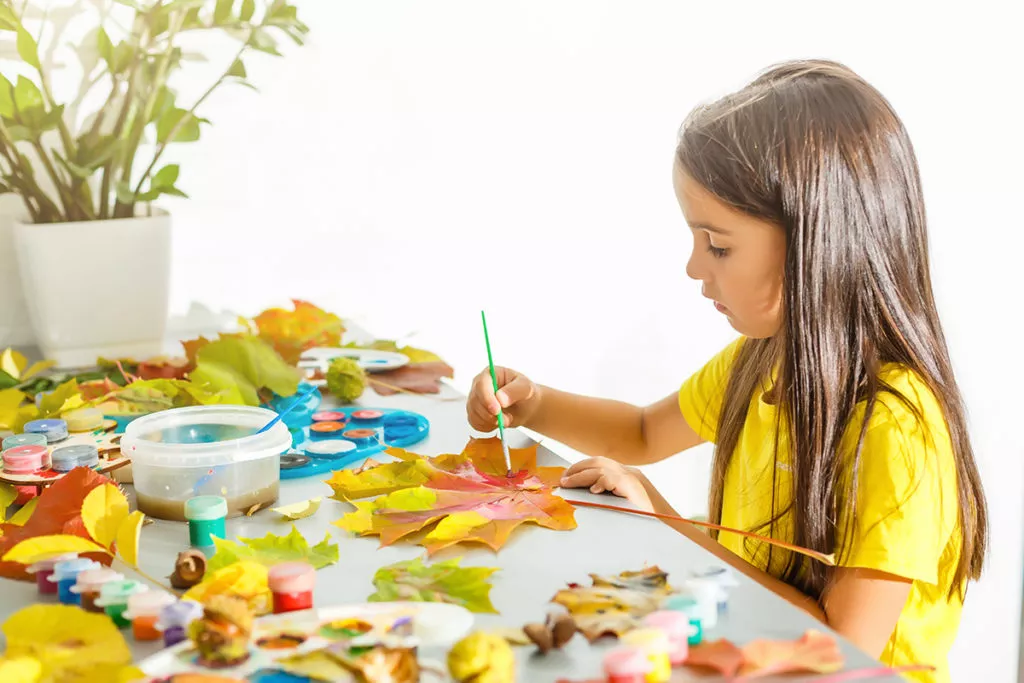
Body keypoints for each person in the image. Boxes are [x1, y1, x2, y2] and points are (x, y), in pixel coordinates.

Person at [465, 60, 987, 683]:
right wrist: (532, 403)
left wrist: (666, 524)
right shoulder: (762, 361)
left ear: (817, 244)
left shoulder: (895, 428)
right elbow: (641, 432)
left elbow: (839, 649)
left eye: (718, 245)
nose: (694, 266)